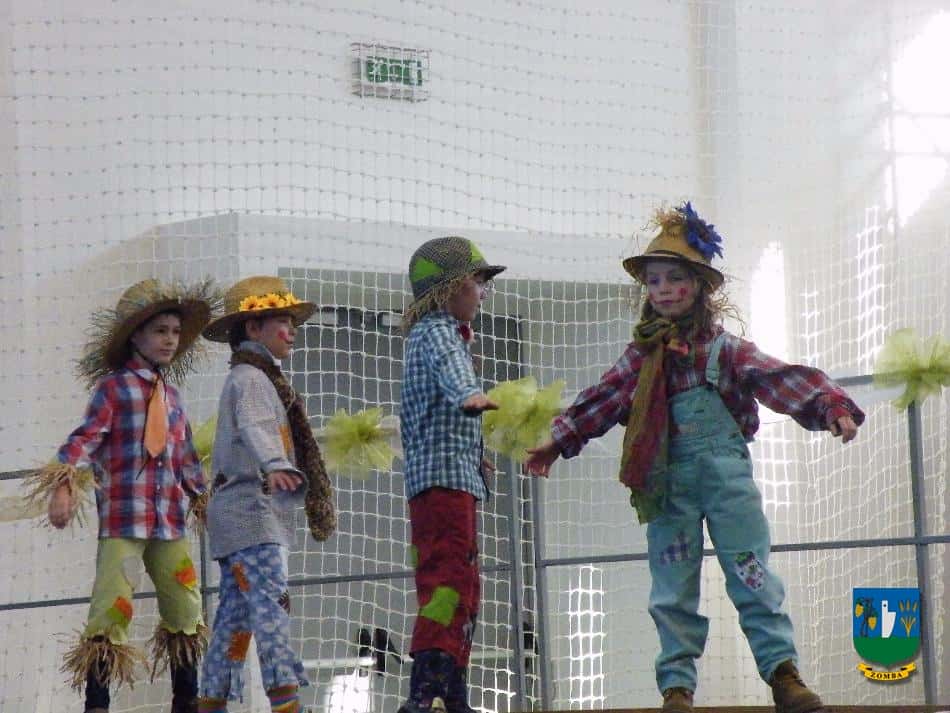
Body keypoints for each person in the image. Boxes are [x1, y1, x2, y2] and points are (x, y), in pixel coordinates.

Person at [526, 203, 864, 713]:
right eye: (654, 280)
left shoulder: (726, 350)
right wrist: (559, 439)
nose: (663, 289)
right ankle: (677, 687)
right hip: (668, 484)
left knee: (751, 571)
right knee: (672, 585)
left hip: (727, 480)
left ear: (700, 286)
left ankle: (783, 673)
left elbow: (779, 377)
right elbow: (605, 397)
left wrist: (830, 406)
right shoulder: (641, 357)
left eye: (675, 279)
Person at [26, 279, 215, 713]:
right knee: (112, 610)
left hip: (168, 521)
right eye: (160, 331)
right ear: (135, 336)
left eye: (174, 332)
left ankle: (186, 698)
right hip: (124, 522)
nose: (169, 340)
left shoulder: (172, 397)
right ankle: (98, 703)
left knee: (186, 606)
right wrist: (63, 483)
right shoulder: (114, 390)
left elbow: (185, 455)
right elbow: (84, 439)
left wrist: (202, 500)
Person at [197, 276, 335, 713]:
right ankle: (285, 700)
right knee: (272, 604)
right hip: (251, 515)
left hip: (240, 516)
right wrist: (276, 464)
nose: (291, 330)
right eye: (282, 320)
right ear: (253, 328)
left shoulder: (252, 377)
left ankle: (212, 700)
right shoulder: (252, 380)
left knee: (235, 616)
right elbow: (256, 426)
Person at [397, 236, 506, 713]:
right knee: (447, 579)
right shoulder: (439, 333)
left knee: (461, 581)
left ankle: (451, 688)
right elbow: (451, 373)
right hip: (442, 483)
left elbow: (437, 413)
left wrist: (475, 453)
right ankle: (425, 690)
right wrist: (469, 395)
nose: (482, 293)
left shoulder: (446, 333)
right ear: (452, 287)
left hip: (453, 475)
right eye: (478, 282)